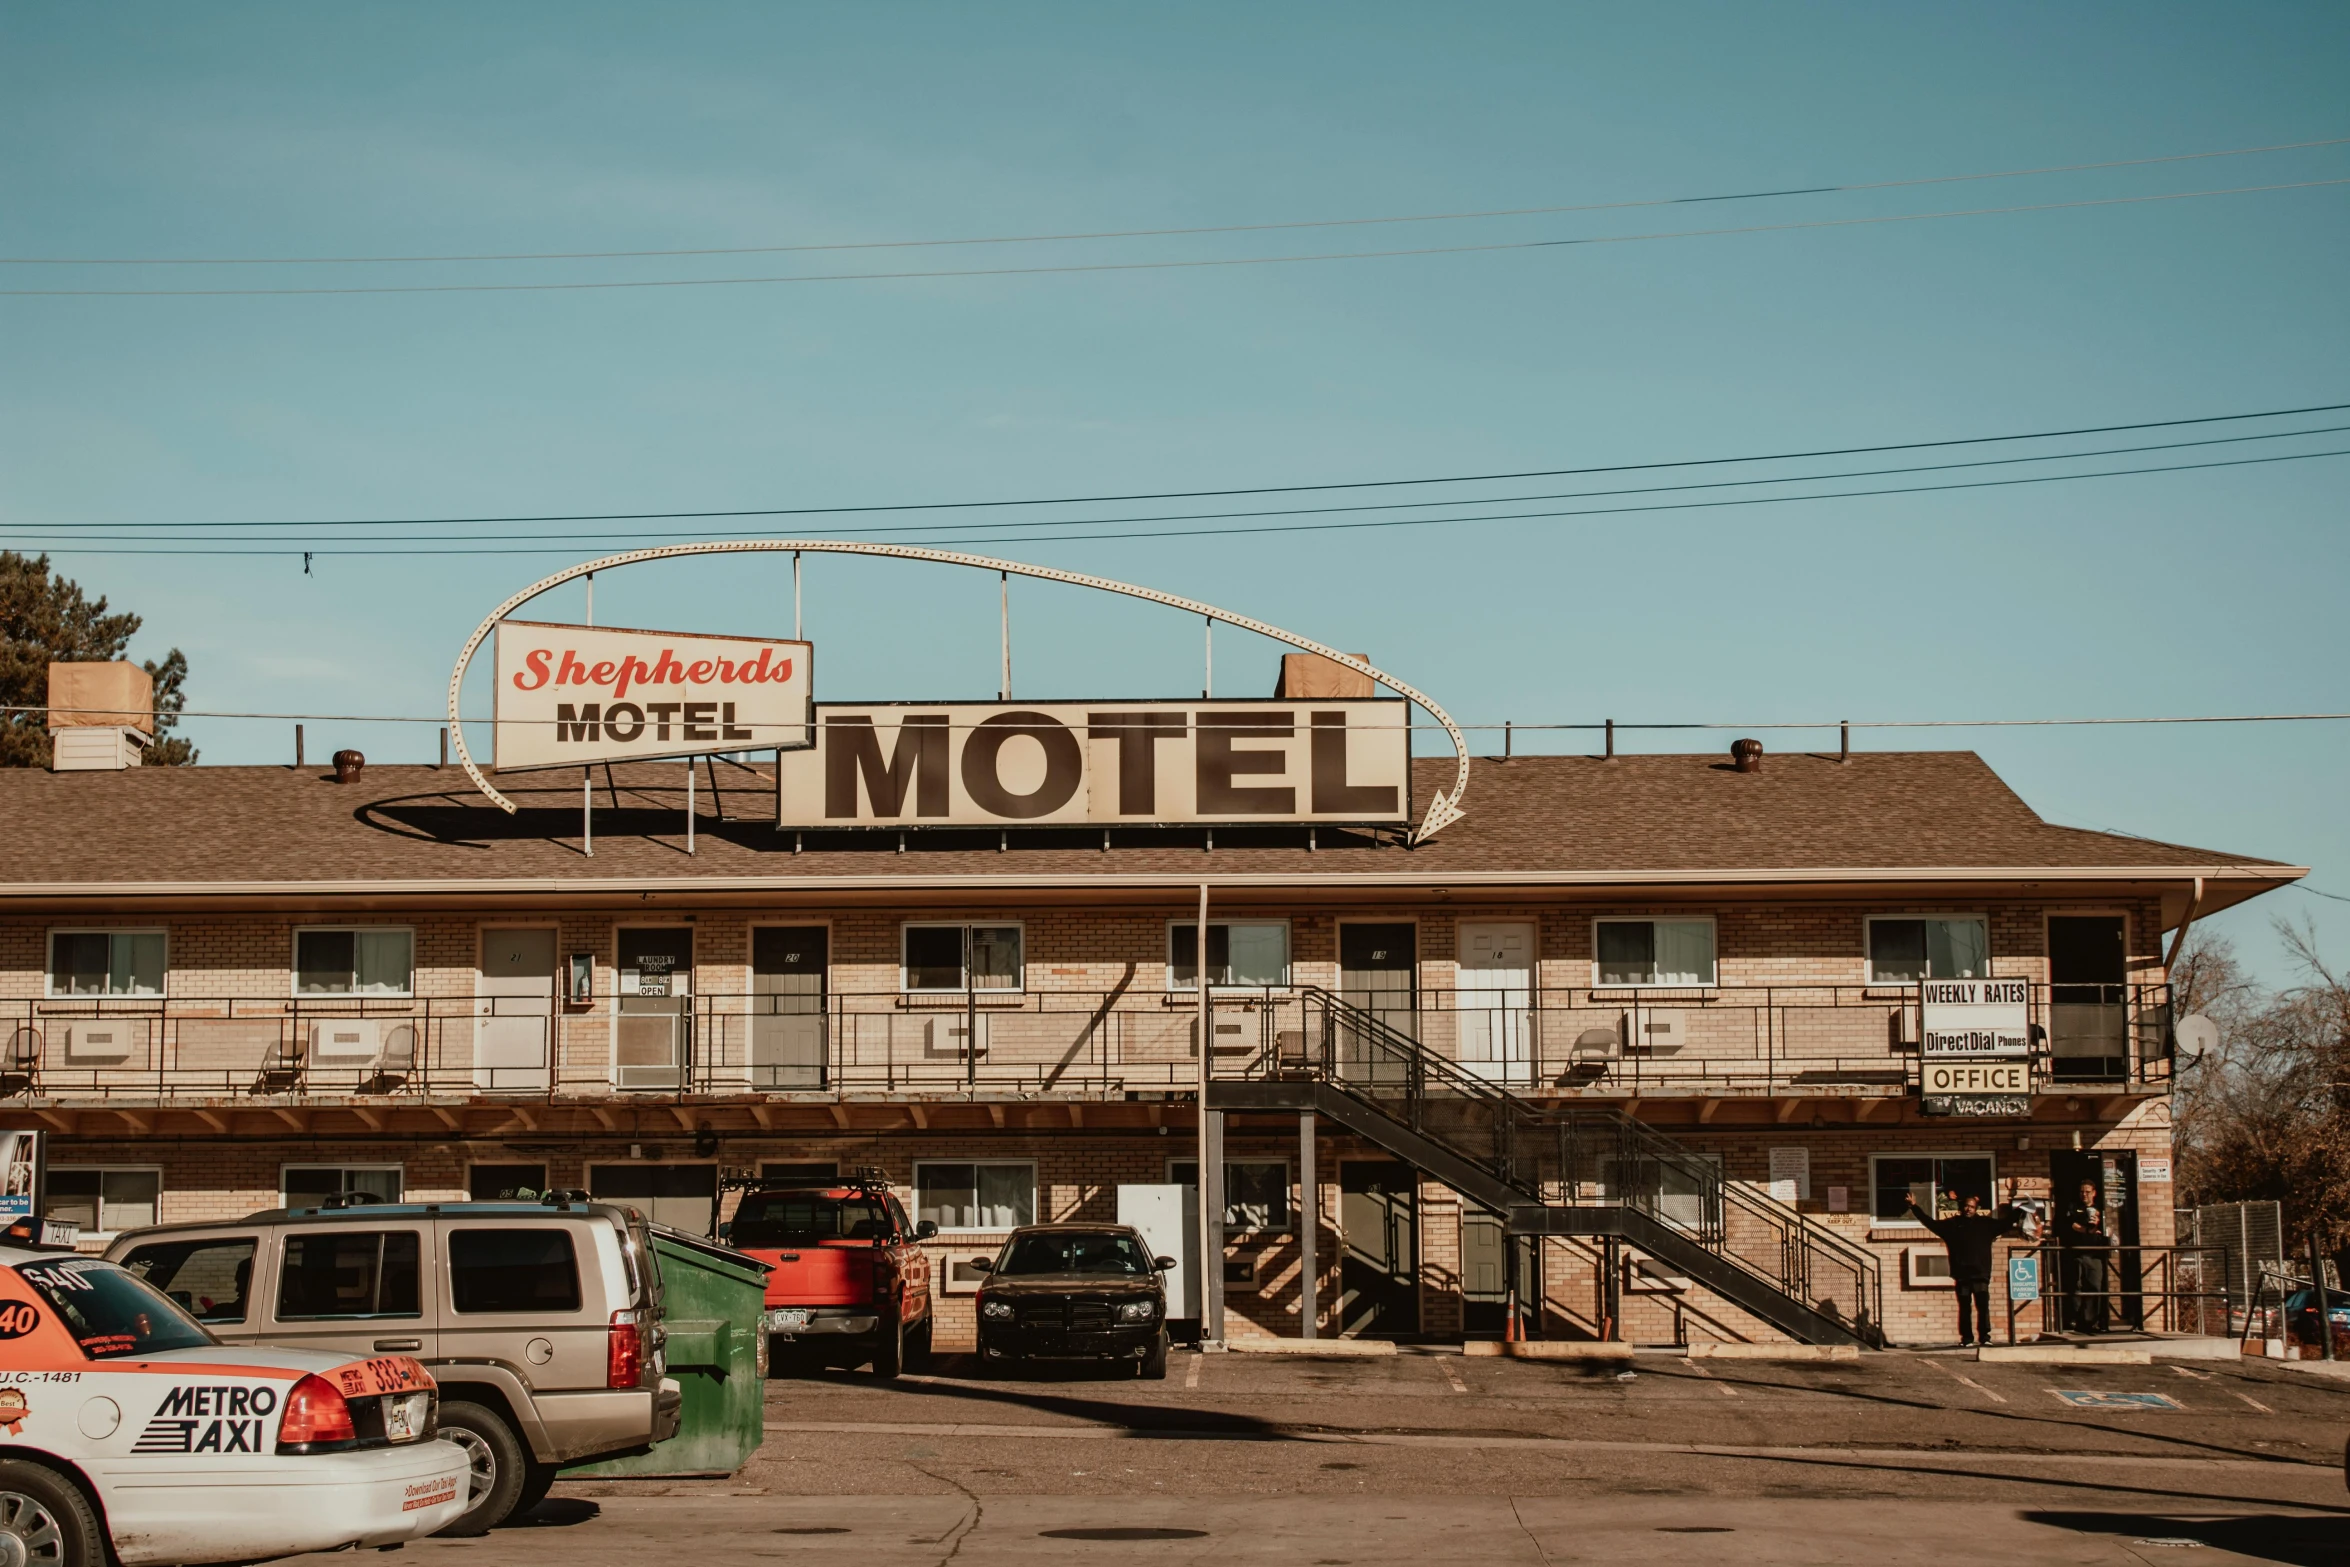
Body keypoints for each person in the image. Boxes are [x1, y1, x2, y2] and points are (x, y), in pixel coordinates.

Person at [1907, 1180, 2022, 1347]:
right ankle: (1967, 1339)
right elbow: (1930, 1223)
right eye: (1966, 1206)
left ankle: (1985, 1337)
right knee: (1965, 1308)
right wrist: (1915, 1207)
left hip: (1980, 1273)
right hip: (1961, 1274)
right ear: (1961, 1207)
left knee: (1983, 1306)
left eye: (1972, 1207)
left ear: (1976, 1209)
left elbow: (2005, 1224)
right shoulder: (1952, 1225)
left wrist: (2019, 1210)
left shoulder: (1986, 1224)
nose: (1969, 1209)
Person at [2057, 1180, 2112, 1334]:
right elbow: (2072, 1225)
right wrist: (2087, 1230)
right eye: (2082, 1192)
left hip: (2095, 1254)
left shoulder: (2101, 1209)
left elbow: (2108, 1229)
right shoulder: (2074, 1208)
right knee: (2076, 1286)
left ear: (2094, 1193)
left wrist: (2098, 1224)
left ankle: (2092, 1321)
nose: (2084, 1195)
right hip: (2076, 1253)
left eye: (2087, 1192)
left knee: (2094, 1287)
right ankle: (2075, 1319)